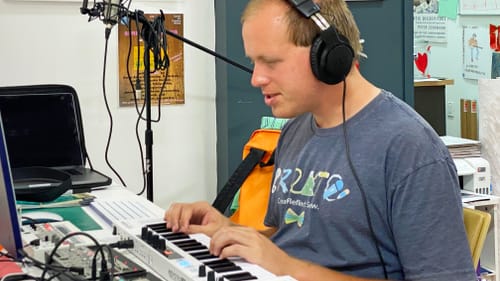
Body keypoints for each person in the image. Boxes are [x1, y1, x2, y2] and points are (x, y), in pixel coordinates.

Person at [165, 0, 476, 280]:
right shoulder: (294, 131)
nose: (256, 78)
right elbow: (288, 239)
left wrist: (289, 267)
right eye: (254, 62)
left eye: (270, 62)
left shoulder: (411, 148)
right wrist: (226, 229)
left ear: (328, 57)